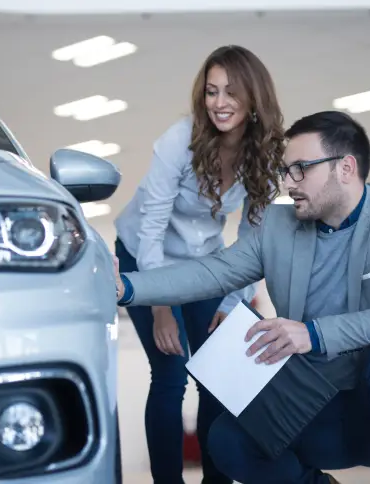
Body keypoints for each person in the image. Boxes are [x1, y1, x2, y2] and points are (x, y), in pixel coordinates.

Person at [114, 111, 370, 484]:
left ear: (345, 168)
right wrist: (129, 288)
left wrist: (312, 333)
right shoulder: (280, 222)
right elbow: (214, 271)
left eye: (301, 169)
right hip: (314, 403)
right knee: (227, 439)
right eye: (285, 171)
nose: (289, 182)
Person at [113, 44, 285, 484]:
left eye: (231, 92)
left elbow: (253, 240)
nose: (219, 103)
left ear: (253, 98)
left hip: (203, 264)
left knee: (219, 372)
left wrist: (232, 301)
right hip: (143, 257)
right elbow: (151, 226)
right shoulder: (180, 139)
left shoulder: (261, 153)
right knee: (170, 374)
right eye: (211, 91)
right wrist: (160, 307)